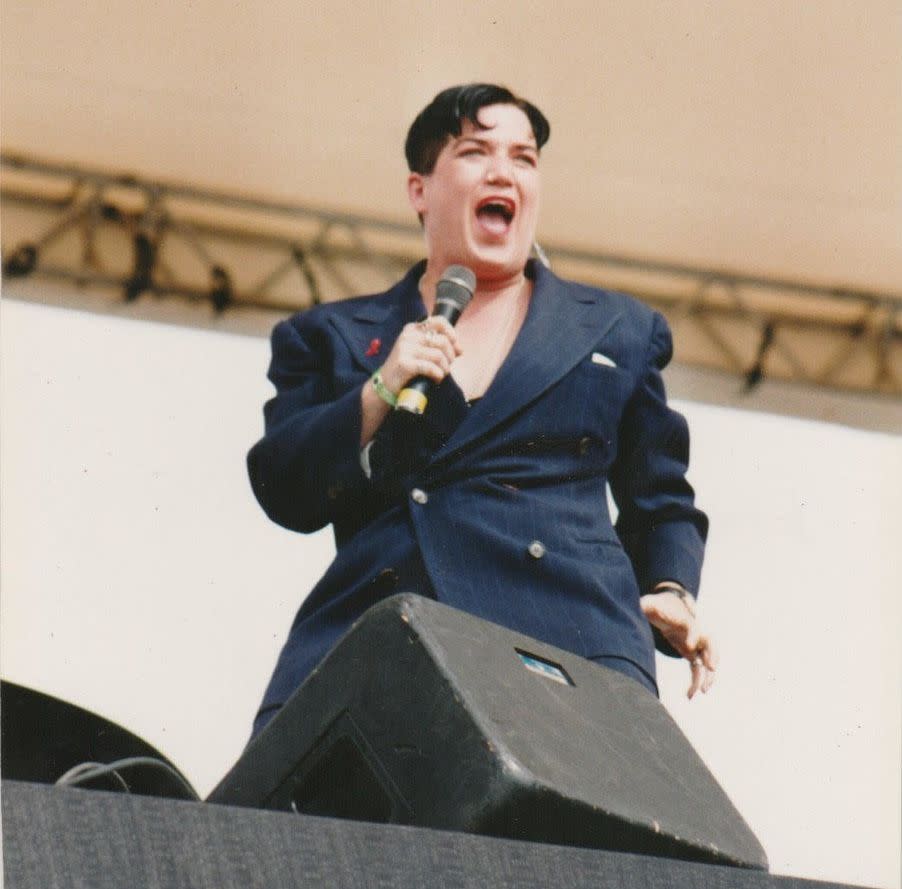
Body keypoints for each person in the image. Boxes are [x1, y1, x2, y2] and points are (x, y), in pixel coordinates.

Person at [247, 84, 717, 739]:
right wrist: (379, 389)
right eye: (476, 152)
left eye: (524, 158)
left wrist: (672, 589)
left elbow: (661, 497)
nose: (504, 171)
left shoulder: (618, 330)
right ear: (420, 189)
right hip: (390, 638)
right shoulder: (331, 336)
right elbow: (284, 488)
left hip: (570, 639)